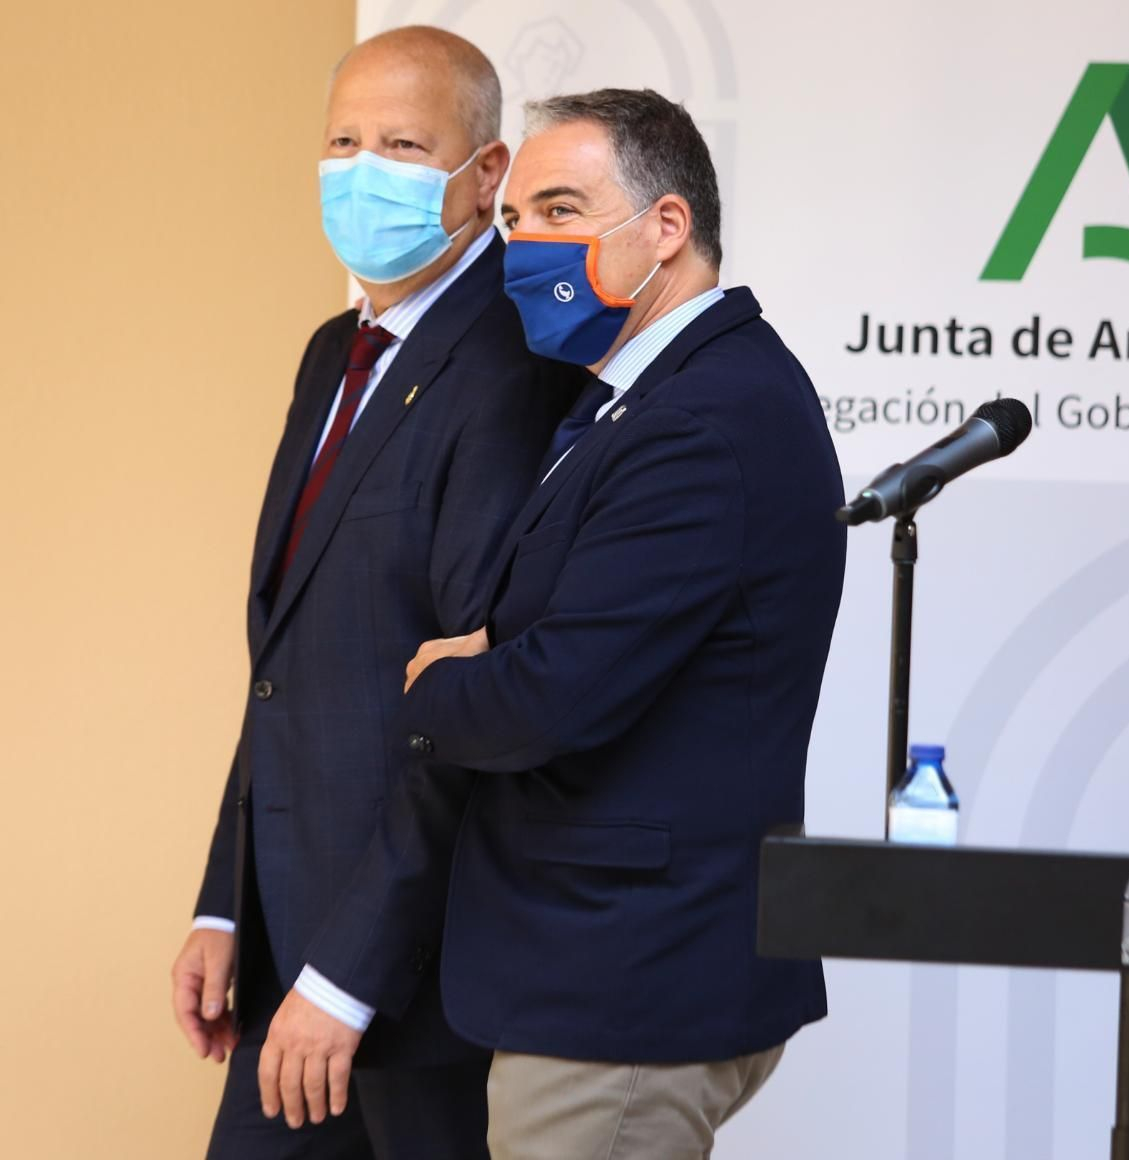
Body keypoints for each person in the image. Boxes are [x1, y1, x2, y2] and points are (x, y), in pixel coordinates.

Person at [254, 87, 847, 1158]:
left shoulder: (706, 420)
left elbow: (547, 696)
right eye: (517, 219)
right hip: (594, 976)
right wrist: (502, 659)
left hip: (621, 990)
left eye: (562, 210)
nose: (527, 244)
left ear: (666, 228)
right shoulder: (632, 397)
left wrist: (439, 682)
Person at [169, 26, 580, 1158]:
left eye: (403, 143)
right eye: (343, 140)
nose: (363, 169)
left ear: (486, 173)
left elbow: (470, 704)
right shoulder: (330, 354)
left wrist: (348, 976)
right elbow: (286, 663)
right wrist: (225, 903)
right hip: (283, 960)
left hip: (406, 986)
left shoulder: (508, 365)